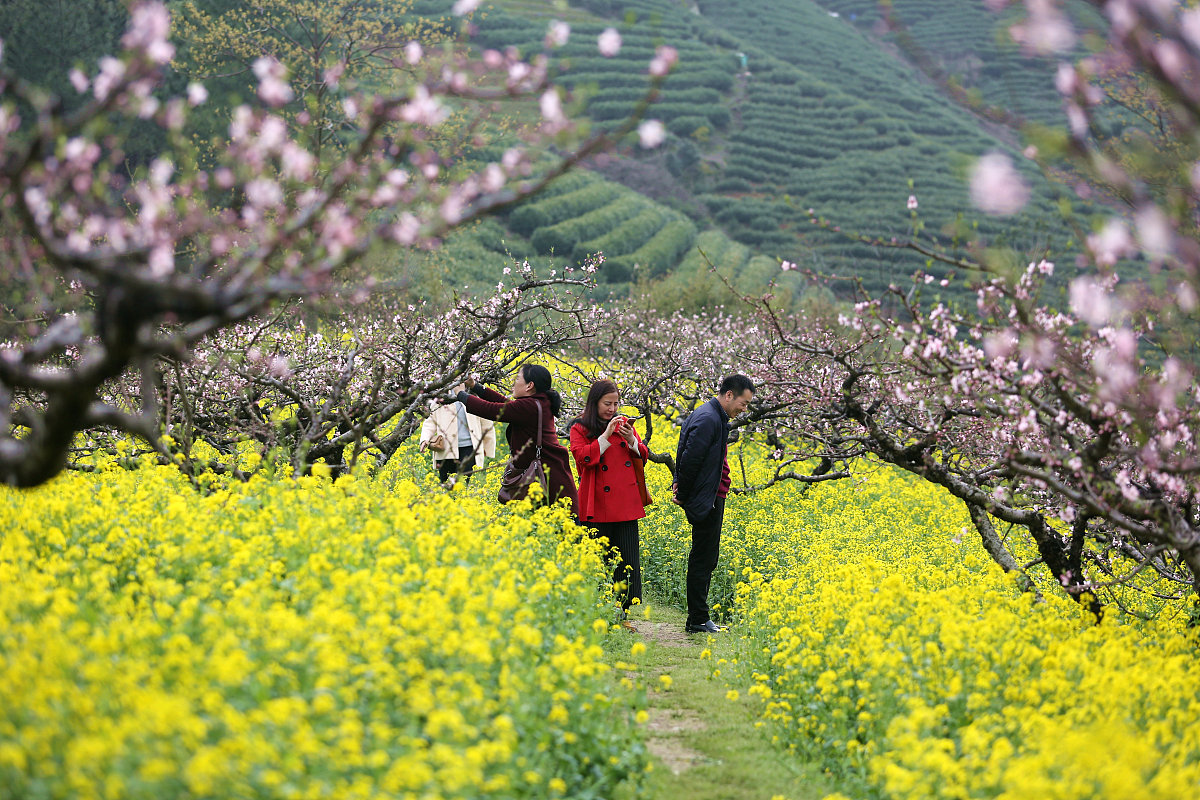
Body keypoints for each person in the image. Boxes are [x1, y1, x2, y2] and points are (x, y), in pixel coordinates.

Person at [673, 374, 755, 634]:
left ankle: (699, 617)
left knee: (707, 558)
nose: (744, 409)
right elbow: (689, 460)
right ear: (729, 395)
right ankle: (697, 619)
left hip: (709, 495)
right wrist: (683, 494)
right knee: (703, 558)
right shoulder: (709, 418)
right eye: (743, 403)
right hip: (706, 497)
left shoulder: (713, 416)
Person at [569, 379, 653, 629]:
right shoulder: (579, 427)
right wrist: (606, 436)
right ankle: (597, 612)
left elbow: (643, 456)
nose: (613, 409)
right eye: (608, 403)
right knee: (598, 560)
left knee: (627, 560)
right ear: (594, 403)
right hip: (596, 504)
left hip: (625, 504)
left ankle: (621, 614)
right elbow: (582, 457)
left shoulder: (624, 425)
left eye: (616, 403)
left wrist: (632, 441)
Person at [455, 365, 578, 515]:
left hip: (548, 484)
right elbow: (506, 405)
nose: (513, 382)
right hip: (546, 480)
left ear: (529, 385)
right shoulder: (538, 402)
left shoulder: (530, 406)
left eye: (518, 378)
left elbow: (492, 409)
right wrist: (475, 386)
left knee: (556, 530)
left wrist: (460, 394)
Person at [419, 385, 496, 487]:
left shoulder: (474, 398)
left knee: (464, 486)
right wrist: (425, 439)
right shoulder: (441, 398)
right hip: (446, 450)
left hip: (469, 449)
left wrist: (487, 447)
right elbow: (430, 422)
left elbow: (486, 424)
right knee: (447, 486)